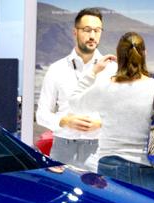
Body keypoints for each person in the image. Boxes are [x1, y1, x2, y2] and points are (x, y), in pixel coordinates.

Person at [69, 32, 154, 197]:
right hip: (153, 171)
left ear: (118, 57)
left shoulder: (104, 87)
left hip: (110, 169)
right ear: (144, 54)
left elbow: (74, 103)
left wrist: (93, 72)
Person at [35, 7, 114, 167]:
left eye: (97, 30)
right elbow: (41, 114)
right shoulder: (57, 69)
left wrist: (100, 123)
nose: (92, 36)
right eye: (87, 30)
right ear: (75, 32)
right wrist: (64, 121)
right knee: (60, 192)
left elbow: (122, 114)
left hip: (99, 149)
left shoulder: (112, 69)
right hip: (62, 148)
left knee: (98, 193)